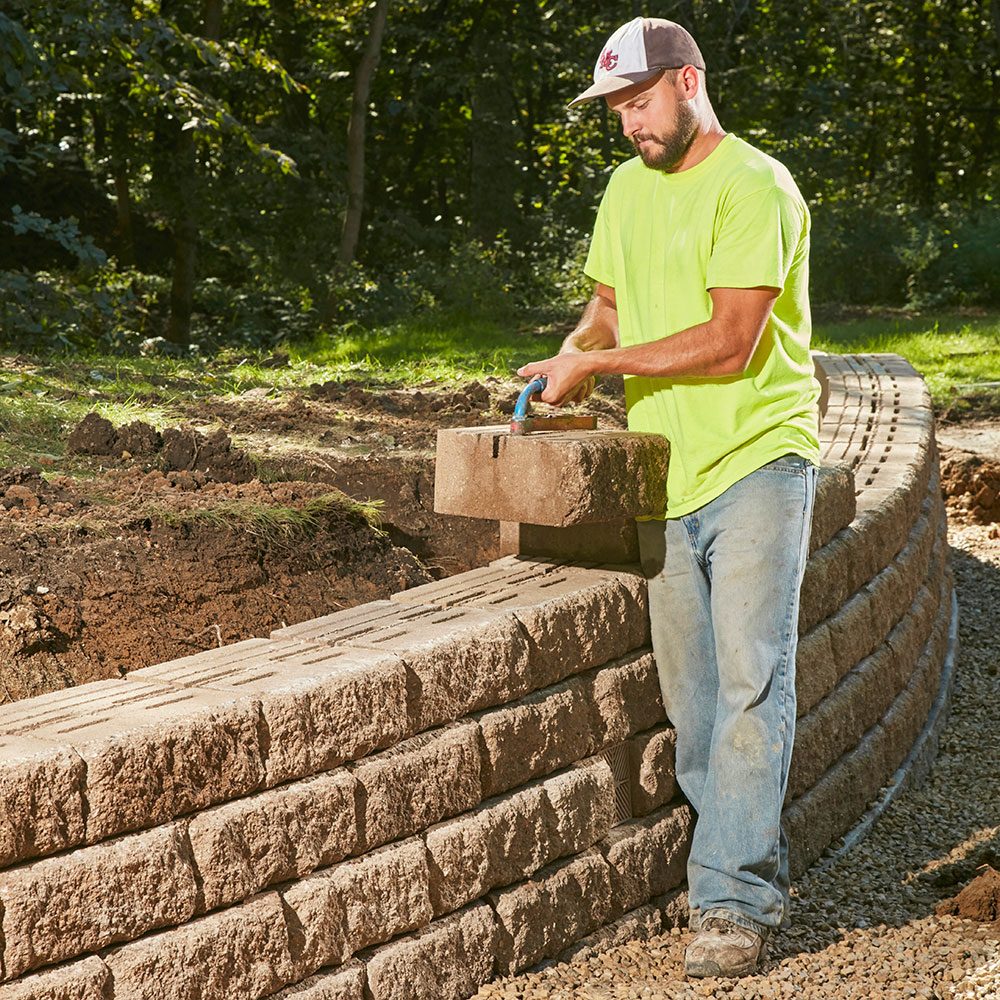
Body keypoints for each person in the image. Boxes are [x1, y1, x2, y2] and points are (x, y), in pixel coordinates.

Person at [517, 16, 821, 979]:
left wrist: (602, 363)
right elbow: (608, 305)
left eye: (639, 102)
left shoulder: (753, 186)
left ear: (688, 81)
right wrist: (572, 356)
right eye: (615, 110)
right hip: (665, 473)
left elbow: (731, 339)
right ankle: (733, 858)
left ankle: (733, 900)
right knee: (695, 705)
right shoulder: (623, 188)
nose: (629, 125)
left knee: (748, 684)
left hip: (757, 461)